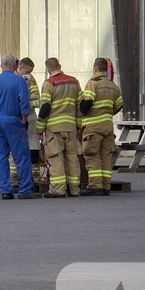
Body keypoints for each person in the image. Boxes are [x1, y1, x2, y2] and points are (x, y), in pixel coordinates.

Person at [0, 54, 35, 199]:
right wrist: (24, 117)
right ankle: (25, 190)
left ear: (1, 65)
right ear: (15, 65)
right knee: (21, 155)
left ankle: (5, 190)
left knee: (1, 156)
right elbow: (24, 100)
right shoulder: (18, 80)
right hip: (13, 120)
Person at [36, 57, 82, 198]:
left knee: (55, 158)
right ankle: (74, 189)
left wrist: (39, 129)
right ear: (59, 66)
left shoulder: (49, 84)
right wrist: (78, 124)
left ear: (48, 69)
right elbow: (80, 105)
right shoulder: (74, 81)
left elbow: (44, 108)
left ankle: (58, 190)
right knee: (72, 158)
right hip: (70, 127)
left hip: (54, 128)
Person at [79, 58, 124, 196]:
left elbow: (86, 103)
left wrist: (82, 112)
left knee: (92, 154)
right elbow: (119, 105)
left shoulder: (93, 83)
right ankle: (105, 185)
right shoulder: (113, 86)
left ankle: (95, 185)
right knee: (105, 156)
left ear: (95, 69)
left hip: (93, 126)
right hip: (108, 126)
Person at [11, 57, 41, 186]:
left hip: (29, 118)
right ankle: (15, 179)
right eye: (27, 71)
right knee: (15, 150)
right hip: (15, 118)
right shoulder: (11, 78)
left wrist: (25, 105)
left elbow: (37, 100)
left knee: (33, 148)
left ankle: (35, 178)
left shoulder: (30, 80)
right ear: (20, 68)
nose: (28, 74)